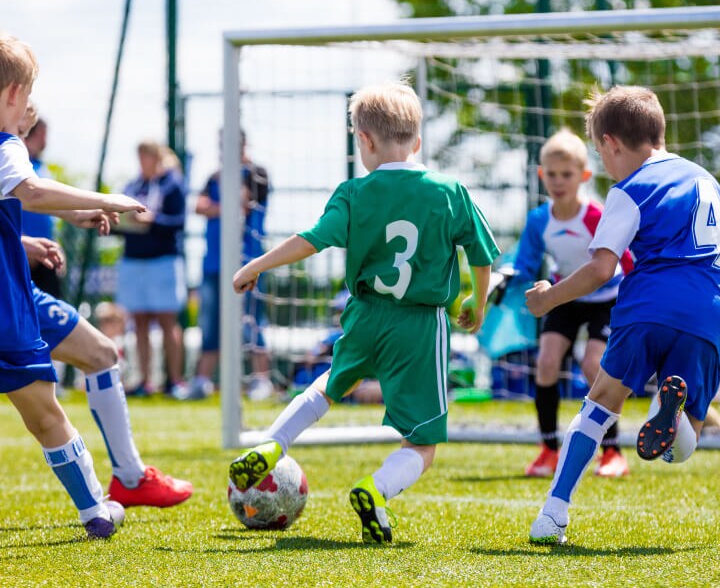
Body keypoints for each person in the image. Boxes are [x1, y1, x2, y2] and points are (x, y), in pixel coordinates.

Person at [227, 81, 500, 544]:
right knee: (423, 441)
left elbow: (310, 240)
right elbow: (481, 252)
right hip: (418, 324)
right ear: (416, 142)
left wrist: (257, 263)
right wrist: (478, 297)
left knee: (330, 384)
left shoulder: (352, 193)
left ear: (364, 142)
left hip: (364, 312)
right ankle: (375, 491)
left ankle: (273, 441)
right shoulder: (449, 191)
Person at [526, 85, 720, 544]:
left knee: (598, 406)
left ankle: (553, 515)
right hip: (710, 320)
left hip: (649, 308)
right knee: (681, 447)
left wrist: (549, 299)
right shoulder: (709, 184)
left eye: (601, 155)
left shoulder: (630, 189)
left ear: (612, 143)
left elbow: (602, 268)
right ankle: (671, 411)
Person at [0, 33, 148, 538]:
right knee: (44, 410)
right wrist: (110, 199)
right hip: (6, 307)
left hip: (14, 287)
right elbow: (33, 190)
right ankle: (95, 510)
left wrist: (21, 246)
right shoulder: (6, 146)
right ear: (15, 94)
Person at [513, 129, 633, 479]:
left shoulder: (597, 216)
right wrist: (509, 277)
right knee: (546, 362)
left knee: (593, 365)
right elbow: (524, 263)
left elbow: (625, 261)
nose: (558, 181)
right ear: (541, 175)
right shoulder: (538, 220)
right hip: (564, 295)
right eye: (551, 174)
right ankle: (549, 449)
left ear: (583, 176)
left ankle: (612, 452)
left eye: (566, 175)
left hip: (607, 298)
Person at [191, 131, 272, 400]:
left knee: (252, 321)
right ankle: (201, 381)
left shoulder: (257, 173)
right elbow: (200, 206)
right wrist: (222, 207)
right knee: (211, 323)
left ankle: (262, 380)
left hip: (248, 262)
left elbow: (243, 203)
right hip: (215, 264)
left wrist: (222, 204)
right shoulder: (214, 176)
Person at [116, 141, 188, 396]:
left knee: (168, 321)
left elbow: (179, 221)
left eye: (145, 156)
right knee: (140, 323)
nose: (142, 161)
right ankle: (144, 380)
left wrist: (152, 220)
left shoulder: (172, 183)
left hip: (163, 261)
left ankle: (175, 381)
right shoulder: (132, 186)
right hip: (134, 260)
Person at [21, 115, 63, 298]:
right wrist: (25, 244)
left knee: (52, 312)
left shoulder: (42, 167)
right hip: (22, 251)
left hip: (45, 252)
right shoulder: (14, 166)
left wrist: (56, 246)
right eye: (41, 134)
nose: (45, 141)